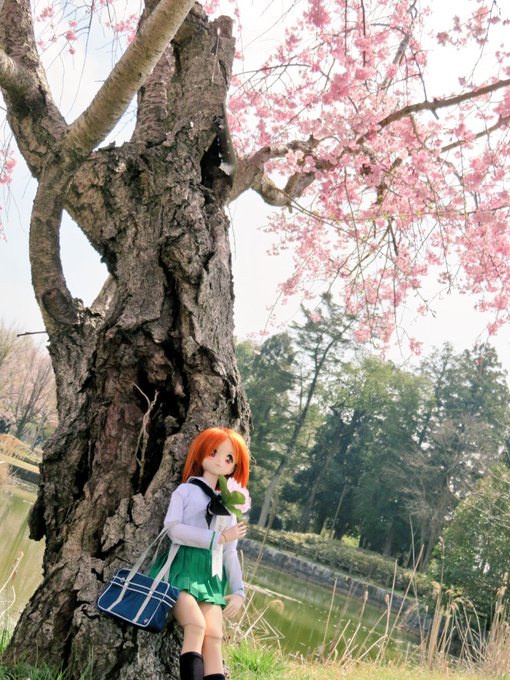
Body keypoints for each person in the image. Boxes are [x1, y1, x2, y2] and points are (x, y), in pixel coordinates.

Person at [158, 427, 250, 680]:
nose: (220, 461)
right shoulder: (185, 491)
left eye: (229, 458)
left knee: (214, 636)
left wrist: (239, 591)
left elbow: (230, 553)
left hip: (211, 575)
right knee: (196, 626)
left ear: (235, 466)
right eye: (214, 452)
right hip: (181, 568)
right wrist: (216, 538)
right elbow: (173, 529)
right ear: (201, 453)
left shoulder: (228, 506)